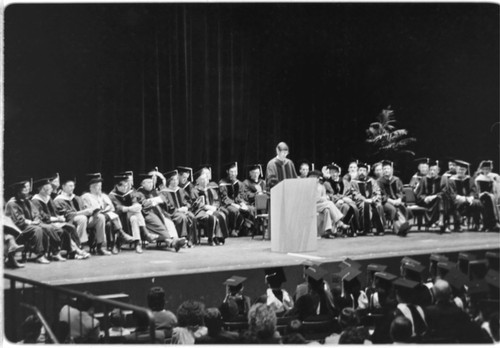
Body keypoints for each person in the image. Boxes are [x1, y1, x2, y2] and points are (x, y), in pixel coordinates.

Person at [81, 173, 134, 255]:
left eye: (100, 186)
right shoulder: (86, 196)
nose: (100, 188)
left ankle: (109, 246)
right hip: (92, 219)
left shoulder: (103, 195)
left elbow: (111, 207)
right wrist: (100, 209)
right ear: (92, 187)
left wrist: (105, 209)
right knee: (110, 216)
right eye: (98, 186)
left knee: (109, 223)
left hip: (104, 217)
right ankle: (121, 233)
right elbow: (88, 210)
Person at [4, 179, 51, 264]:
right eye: (24, 187)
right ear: (18, 190)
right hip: (16, 229)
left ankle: (46, 253)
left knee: (45, 227)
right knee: (37, 229)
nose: (27, 189)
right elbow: (18, 221)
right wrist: (32, 222)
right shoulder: (12, 204)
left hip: (28, 227)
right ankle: (39, 255)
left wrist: (36, 219)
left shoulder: (27, 201)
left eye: (28, 187)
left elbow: (36, 213)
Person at [136, 173, 186, 251]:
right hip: (148, 215)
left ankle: (176, 240)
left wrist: (161, 200)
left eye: (151, 182)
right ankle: (172, 243)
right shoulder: (139, 193)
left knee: (169, 222)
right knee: (160, 226)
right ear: (142, 184)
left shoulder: (155, 192)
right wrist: (154, 201)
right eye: (148, 182)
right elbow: (144, 205)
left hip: (160, 213)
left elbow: (164, 201)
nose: (151, 184)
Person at [31, 178, 78, 261]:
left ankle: (75, 250)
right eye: (48, 188)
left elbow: (55, 211)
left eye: (50, 188)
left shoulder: (48, 198)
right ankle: (64, 251)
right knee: (63, 230)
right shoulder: (36, 200)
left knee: (70, 227)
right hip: (44, 222)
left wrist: (59, 217)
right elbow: (41, 215)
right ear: (42, 189)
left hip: (53, 221)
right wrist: (56, 219)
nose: (51, 190)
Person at [109, 173, 156, 253]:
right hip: (118, 217)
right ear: (117, 186)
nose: (125, 188)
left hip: (130, 215)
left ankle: (137, 243)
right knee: (135, 214)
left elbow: (134, 201)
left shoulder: (130, 191)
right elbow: (118, 208)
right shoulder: (112, 195)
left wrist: (135, 206)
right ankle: (145, 233)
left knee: (135, 217)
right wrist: (130, 208)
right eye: (122, 186)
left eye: (127, 185)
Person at [53, 176, 96, 257]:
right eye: (70, 186)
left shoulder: (76, 198)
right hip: (68, 220)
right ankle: (79, 245)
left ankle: (99, 246)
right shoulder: (58, 200)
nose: (72, 188)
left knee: (98, 217)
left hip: (81, 218)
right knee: (82, 218)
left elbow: (84, 208)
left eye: (73, 186)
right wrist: (83, 212)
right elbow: (66, 215)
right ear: (63, 187)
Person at [159, 170, 197, 247]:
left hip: (182, 211)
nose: (175, 181)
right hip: (171, 213)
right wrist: (178, 210)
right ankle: (182, 239)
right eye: (172, 179)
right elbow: (166, 206)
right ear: (169, 181)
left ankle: (191, 240)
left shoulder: (181, 190)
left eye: (176, 179)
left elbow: (188, 201)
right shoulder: (163, 192)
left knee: (192, 216)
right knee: (182, 217)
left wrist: (186, 207)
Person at [191, 170, 228, 245]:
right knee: (212, 217)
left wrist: (214, 207)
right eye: (202, 179)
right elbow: (195, 203)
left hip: (211, 209)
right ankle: (211, 238)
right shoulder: (194, 191)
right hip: (199, 211)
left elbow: (217, 200)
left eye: (206, 179)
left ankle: (219, 237)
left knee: (221, 215)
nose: (205, 181)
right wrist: (206, 207)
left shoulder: (210, 189)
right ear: (197, 181)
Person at [323, 163, 360, 236]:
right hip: (334, 203)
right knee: (345, 206)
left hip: (347, 202)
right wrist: (341, 198)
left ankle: (348, 229)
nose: (333, 174)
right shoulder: (326, 183)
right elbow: (327, 196)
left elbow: (351, 193)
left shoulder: (345, 182)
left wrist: (346, 199)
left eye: (335, 172)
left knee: (348, 206)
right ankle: (346, 229)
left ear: (338, 173)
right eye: (331, 172)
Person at [308, 170, 348, 238]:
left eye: (315, 177)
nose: (313, 179)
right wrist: (322, 199)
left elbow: (324, 198)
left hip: (321, 206)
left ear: (318, 179)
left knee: (327, 209)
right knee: (329, 203)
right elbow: (312, 199)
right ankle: (339, 222)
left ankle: (328, 230)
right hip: (310, 206)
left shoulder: (321, 186)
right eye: (311, 177)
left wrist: (323, 199)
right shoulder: (307, 187)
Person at [219, 162, 255, 237]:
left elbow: (241, 196)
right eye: (231, 172)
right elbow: (224, 197)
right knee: (234, 210)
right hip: (227, 204)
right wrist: (234, 204)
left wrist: (242, 203)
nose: (233, 174)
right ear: (227, 172)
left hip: (237, 204)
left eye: (235, 171)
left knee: (251, 208)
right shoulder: (222, 183)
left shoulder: (239, 183)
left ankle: (248, 229)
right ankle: (234, 229)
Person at [350, 162, 385, 235]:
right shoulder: (353, 182)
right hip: (360, 202)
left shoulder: (372, 181)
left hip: (372, 201)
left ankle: (380, 229)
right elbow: (355, 194)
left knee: (378, 206)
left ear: (366, 172)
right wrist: (365, 200)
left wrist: (372, 200)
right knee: (366, 205)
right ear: (358, 171)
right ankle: (366, 229)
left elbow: (377, 192)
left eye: (364, 171)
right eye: (360, 170)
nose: (362, 172)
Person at [378, 160, 411, 236]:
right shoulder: (379, 181)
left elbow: (401, 192)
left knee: (403, 207)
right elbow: (380, 195)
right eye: (384, 169)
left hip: (397, 200)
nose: (386, 170)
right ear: (382, 171)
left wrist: (399, 199)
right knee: (393, 208)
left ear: (392, 170)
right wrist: (392, 201)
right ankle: (398, 229)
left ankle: (403, 225)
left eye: (388, 169)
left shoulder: (397, 180)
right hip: (385, 202)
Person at [447, 160, 482, 231]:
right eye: (459, 169)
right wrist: (460, 197)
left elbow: (473, 190)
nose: (461, 171)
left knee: (477, 202)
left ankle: (476, 224)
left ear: (466, 170)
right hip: (457, 199)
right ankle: (458, 225)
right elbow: (451, 192)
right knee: (457, 203)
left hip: (469, 199)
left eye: (463, 170)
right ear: (456, 169)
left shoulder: (470, 179)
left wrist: (471, 197)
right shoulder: (451, 180)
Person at [416, 160, 448, 232]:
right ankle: (440, 221)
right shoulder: (424, 179)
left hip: (437, 200)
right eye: (430, 170)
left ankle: (440, 219)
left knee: (441, 198)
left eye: (434, 170)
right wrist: (425, 198)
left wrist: (434, 196)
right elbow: (419, 193)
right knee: (440, 200)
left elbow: (444, 191)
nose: (432, 172)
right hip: (426, 201)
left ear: (438, 171)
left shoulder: (443, 179)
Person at [474, 160, 500, 231]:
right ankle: (487, 224)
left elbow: (496, 188)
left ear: (490, 169)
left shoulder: (494, 176)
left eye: (488, 169)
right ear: (481, 169)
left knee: (490, 199)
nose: (486, 170)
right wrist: (481, 193)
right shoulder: (478, 178)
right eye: (484, 169)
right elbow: (477, 189)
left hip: (492, 195)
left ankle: (494, 223)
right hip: (481, 195)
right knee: (485, 200)